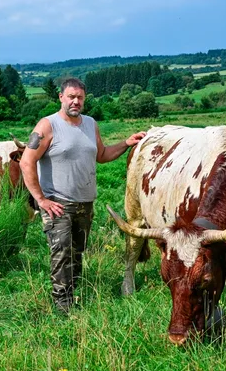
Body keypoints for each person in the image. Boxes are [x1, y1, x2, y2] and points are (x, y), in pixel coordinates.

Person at [20, 77, 146, 314]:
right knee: (61, 253)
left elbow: (102, 154)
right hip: (57, 203)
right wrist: (41, 200)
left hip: (85, 204)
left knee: (77, 253)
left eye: (80, 97)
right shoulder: (47, 126)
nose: (75, 101)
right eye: (71, 97)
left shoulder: (90, 124)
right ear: (61, 97)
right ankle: (62, 306)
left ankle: (73, 293)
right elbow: (27, 161)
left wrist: (127, 143)